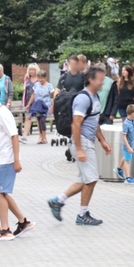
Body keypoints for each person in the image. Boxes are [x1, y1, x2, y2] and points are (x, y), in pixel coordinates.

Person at [47, 67, 112, 226]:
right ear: (91, 80)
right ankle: (82, 214)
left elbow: (93, 121)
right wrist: (80, 149)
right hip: (82, 141)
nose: (103, 82)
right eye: (100, 79)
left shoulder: (94, 97)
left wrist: (102, 140)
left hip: (87, 141)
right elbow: (76, 125)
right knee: (91, 179)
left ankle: (58, 201)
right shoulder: (83, 99)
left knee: (84, 179)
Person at [0, 84, 32, 242]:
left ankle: (5, 229)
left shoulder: (3, 113)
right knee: (2, 192)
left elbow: (14, 136)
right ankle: (23, 222)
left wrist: (16, 160)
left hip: (6, 159)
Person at [22, 65, 52, 144]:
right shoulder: (36, 85)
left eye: (42, 78)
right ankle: (41, 137)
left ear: (45, 78)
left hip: (45, 106)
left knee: (42, 120)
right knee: (39, 120)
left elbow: (54, 94)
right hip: (38, 105)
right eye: (39, 78)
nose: (40, 80)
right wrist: (28, 104)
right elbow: (33, 95)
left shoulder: (49, 86)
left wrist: (53, 105)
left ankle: (44, 137)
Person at [119, 104, 134, 183]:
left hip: (132, 144)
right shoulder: (126, 123)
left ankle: (119, 169)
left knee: (126, 157)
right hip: (127, 146)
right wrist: (128, 147)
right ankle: (127, 178)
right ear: (133, 113)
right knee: (127, 161)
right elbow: (124, 136)